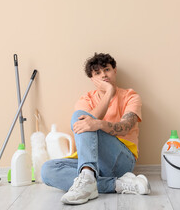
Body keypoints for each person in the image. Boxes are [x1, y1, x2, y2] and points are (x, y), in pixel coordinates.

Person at [41, 53, 151, 205]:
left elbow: (125, 127)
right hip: (92, 162)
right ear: (92, 79)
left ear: (115, 71)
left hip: (121, 159)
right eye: (97, 73)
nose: (104, 75)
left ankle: (88, 179)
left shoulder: (130, 96)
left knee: (81, 117)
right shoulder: (85, 99)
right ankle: (113, 184)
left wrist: (99, 123)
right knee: (47, 170)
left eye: (107, 70)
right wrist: (108, 94)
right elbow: (84, 127)